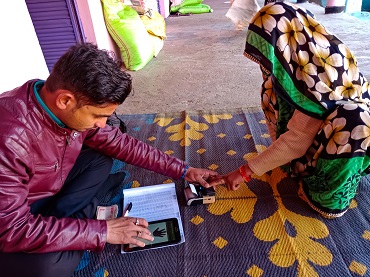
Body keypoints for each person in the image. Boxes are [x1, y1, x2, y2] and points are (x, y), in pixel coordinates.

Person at [0, 43, 222, 276]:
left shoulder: (57, 100)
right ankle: (73, 224)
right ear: (65, 101)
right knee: (48, 268)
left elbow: (120, 144)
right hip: (12, 223)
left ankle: (66, 225)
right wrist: (104, 232)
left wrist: (184, 170)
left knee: (101, 157)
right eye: (98, 115)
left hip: (43, 190)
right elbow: (12, 230)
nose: (102, 124)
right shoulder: (10, 140)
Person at [221, 1, 370, 218]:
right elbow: (284, 129)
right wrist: (278, 156)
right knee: (273, 87)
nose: (266, 62)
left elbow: (296, 142)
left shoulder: (325, 72)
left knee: (354, 121)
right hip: (339, 145)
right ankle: (317, 165)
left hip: (347, 144)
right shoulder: (319, 55)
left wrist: (245, 172)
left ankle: (327, 195)